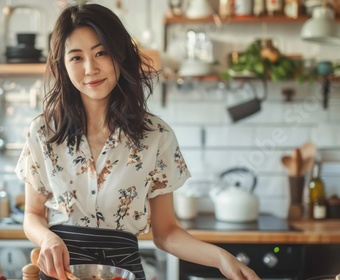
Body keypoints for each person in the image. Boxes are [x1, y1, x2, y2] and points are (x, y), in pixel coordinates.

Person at [15, 2, 260, 280]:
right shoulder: (43, 132)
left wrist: (221, 258)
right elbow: (33, 215)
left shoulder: (157, 135)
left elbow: (166, 232)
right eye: (76, 57)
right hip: (61, 274)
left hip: (123, 273)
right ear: (62, 64)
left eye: (101, 53)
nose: (90, 68)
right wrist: (48, 240)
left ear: (120, 55)